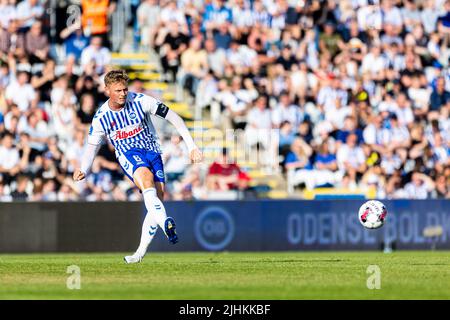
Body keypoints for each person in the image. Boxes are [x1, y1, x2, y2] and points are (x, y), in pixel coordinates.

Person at [72, 69, 203, 263]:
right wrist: (83, 168)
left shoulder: (142, 101)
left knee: (156, 199)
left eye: (125, 89)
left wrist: (192, 146)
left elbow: (175, 118)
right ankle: (165, 222)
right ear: (107, 90)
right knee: (146, 179)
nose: (123, 94)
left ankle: (139, 253)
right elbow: (92, 147)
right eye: (118, 90)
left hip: (153, 151)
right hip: (128, 154)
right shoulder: (101, 117)